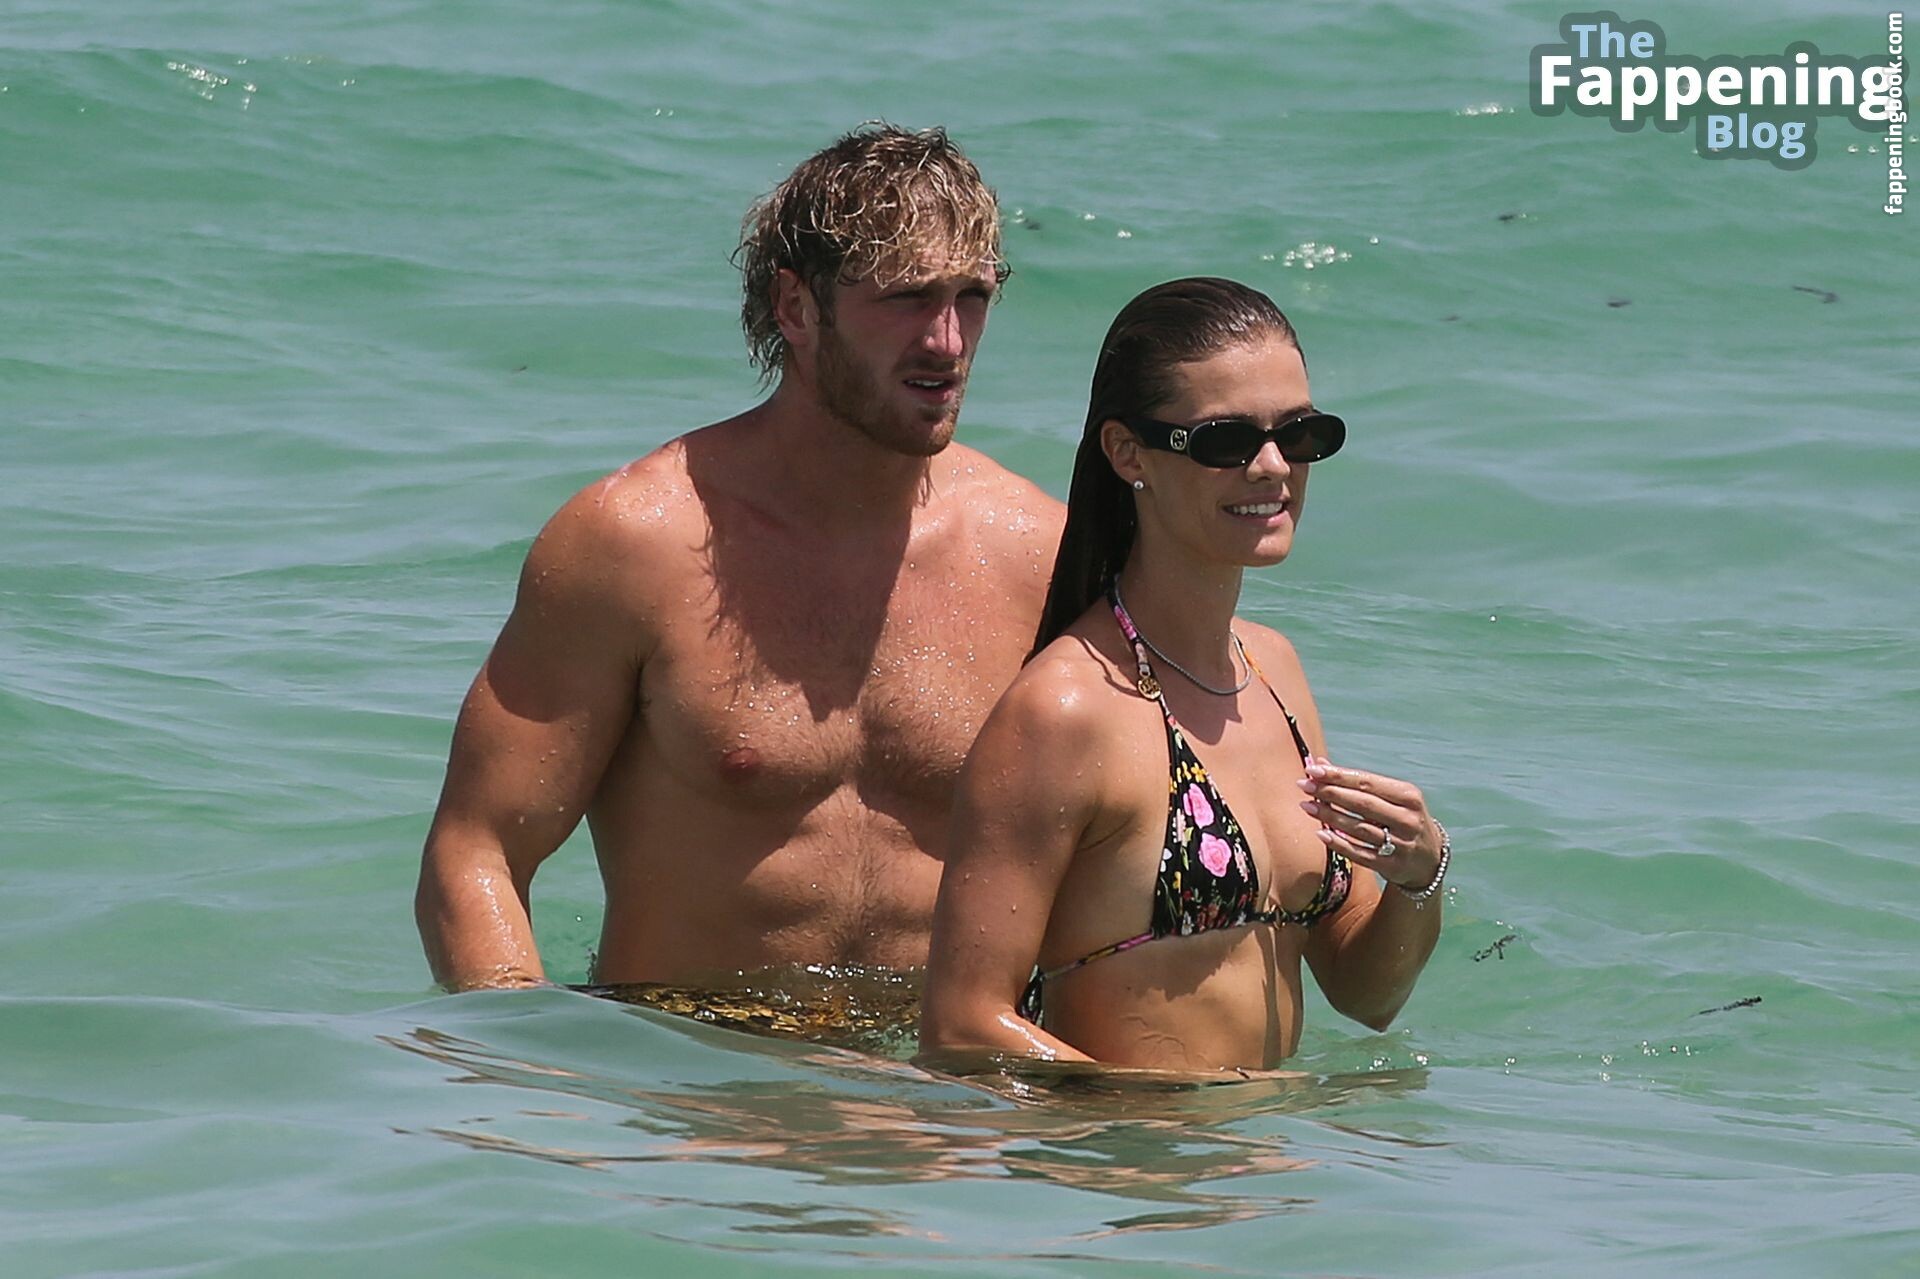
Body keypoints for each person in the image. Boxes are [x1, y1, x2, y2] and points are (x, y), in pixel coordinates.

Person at [415, 124, 1064, 991]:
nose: (947, 341)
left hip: (930, 1064)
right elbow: (477, 850)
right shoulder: (635, 543)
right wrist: (523, 1058)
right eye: (907, 297)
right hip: (688, 1054)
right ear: (795, 307)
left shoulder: (1037, 552)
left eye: (971, 296)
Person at [919, 278, 1450, 1073]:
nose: (1273, 466)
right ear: (1127, 452)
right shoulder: (1065, 709)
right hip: (1123, 1149)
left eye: (1300, 434)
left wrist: (1419, 876)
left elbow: (1365, 994)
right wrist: (1164, 1115)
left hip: (1265, 1148)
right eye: (1225, 441)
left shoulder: (1274, 671)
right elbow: (962, 1026)